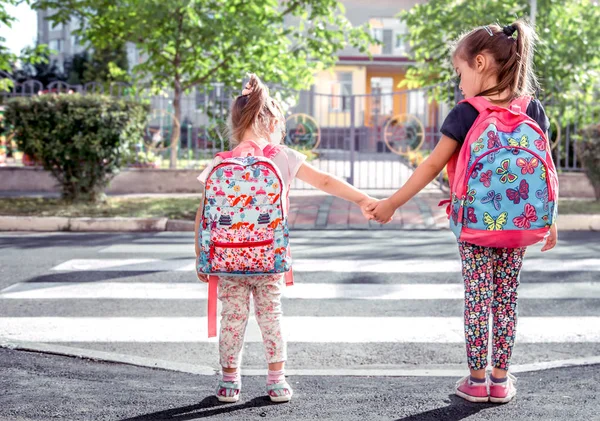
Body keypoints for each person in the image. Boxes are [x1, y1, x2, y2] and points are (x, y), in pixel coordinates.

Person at [366, 21, 558, 404]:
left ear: (482, 62)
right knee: (507, 298)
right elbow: (545, 168)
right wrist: (550, 219)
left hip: (475, 226)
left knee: (477, 297)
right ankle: (500, 381)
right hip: (519, 224)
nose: (459, 83)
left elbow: (430, 167)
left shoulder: (466, 113)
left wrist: (392, 203)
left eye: (460, 72)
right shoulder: (532, 108)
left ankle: (475, 380)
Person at [195, 74, 377, 403]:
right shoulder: (283, 156)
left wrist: (201, 255)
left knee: (232, 318)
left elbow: (204, 210)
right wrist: (363, 199)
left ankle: (228, 382)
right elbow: (325, 181)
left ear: (236, 121)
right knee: (271, 316)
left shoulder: (221, 161)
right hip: (269, 258)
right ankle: (276, 380)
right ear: (272, 120)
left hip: (227, 259)